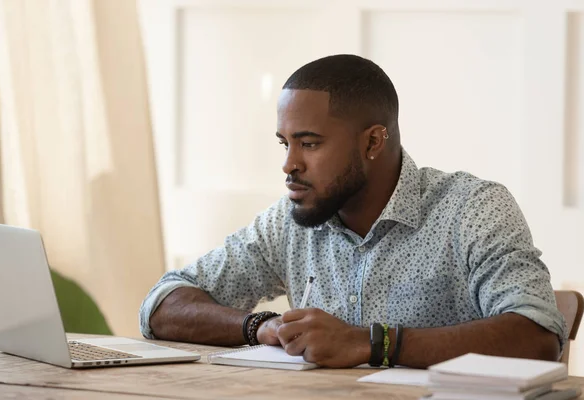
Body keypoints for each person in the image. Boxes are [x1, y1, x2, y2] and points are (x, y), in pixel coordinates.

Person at [139, 54, 566, 369]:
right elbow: (162, 304)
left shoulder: (473, 208)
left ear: (373, 143)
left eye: (309, 143)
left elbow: (538, 334)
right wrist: (261, 327)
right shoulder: (288, 222)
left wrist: (374, 343)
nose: (289, 164)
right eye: (284, 143)